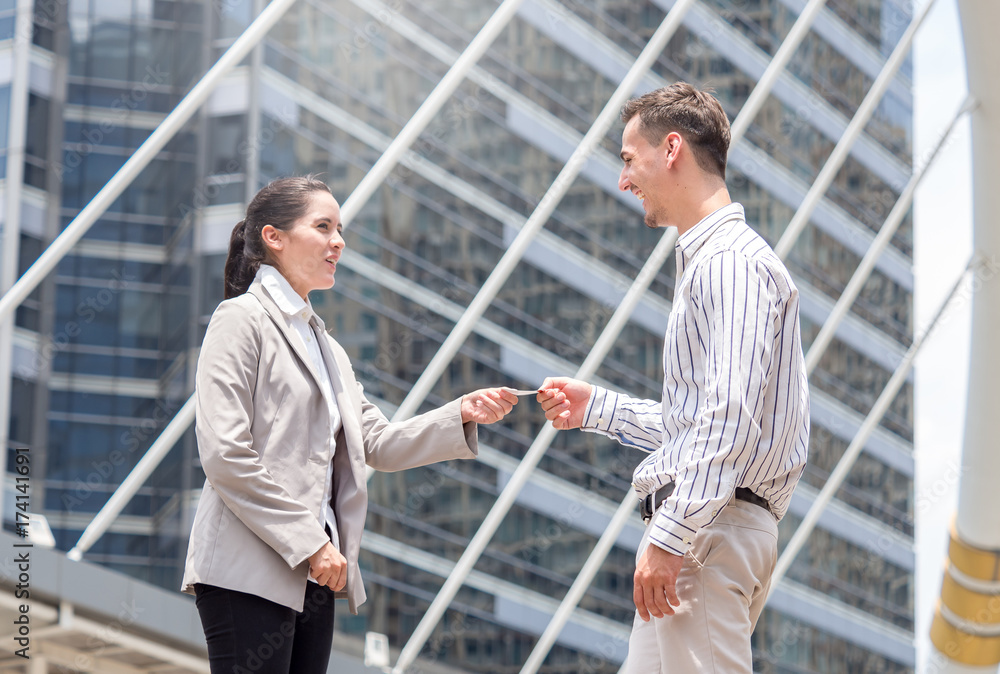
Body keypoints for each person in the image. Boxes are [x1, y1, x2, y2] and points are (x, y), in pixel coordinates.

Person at [181, 176, 519, 674]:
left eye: (341, 229)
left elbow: (376, 442)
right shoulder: (240, 320)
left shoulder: (328, 350)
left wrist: (461, 414)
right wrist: (312, 542)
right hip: (249, 565)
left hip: (317, 575)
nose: (339, 241)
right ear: (274, 237)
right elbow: (225, 453)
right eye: (323, 227)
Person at [537, 84, 809, 673]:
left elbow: (728, 421)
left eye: (629, 159)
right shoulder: (717, 263)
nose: (623, 180)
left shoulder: (729, 263)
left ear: (673, 149)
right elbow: (704, 420)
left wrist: (672, 535)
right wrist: (598, 409)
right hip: (708, 525)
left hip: (704, 532)